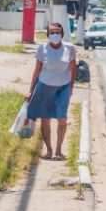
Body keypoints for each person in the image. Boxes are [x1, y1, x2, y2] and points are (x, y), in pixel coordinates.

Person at [26, 22, 77, 160]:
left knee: (62, 119)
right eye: (52, 32)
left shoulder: (70, 48)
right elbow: (37, 70)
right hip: (45, 86)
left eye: (58, 32)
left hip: (63, 87)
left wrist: (71, 87)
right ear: (48, 35)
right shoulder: (42, 49)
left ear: (62, 34)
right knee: (45, 119)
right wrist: (30, 90)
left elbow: (73, 69)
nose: (55, 35)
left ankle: (59, 150)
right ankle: (49, 150)